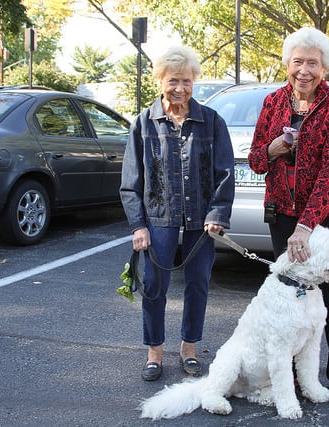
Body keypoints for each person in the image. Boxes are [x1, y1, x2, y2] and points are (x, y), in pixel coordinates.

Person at [247, 27, 329, 403]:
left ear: (324, 68)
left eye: (313, 63)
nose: (304, 70)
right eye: (298, 62)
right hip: (283, 212)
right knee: (290, 295)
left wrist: (306, 228)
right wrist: (273, 148)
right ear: (287, 65)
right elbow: (255, 161)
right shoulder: (272, 103)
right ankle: (294, 375)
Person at [120, 45, 235, 382]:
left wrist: (218, 213)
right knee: (155, 284)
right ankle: (154, 350)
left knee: (198, 282)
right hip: (158, 216)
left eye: (186, 81)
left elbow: (225, 172)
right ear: (160, 80)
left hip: (202, 219)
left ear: (194, 81)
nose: (180, 88)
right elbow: (131, 181)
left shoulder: (211, 121)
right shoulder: (143, 122)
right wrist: (138, 225)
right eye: (173, 81)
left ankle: (189, 347)